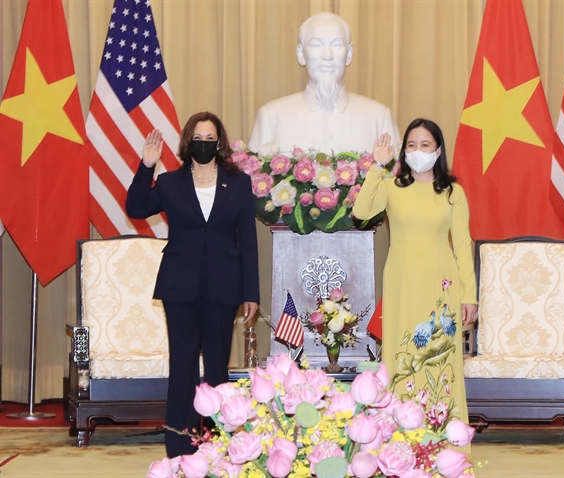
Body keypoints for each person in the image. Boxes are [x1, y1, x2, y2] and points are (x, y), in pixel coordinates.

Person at [126, 112, 260, 458]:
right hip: (180, 287)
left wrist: (251, 294)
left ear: (220, 143)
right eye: (197, 138)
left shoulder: (239, 182)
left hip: (224, 288)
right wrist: (147, 166)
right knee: (183, 364)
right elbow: (136, 206)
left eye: (210, 138)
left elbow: (248, 240)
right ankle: (178, 445)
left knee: (217, 366)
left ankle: (217, 444)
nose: (204, 143)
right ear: (188, 142)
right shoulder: (170, 183)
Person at [353, 119, 478, 430]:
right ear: (402, 152)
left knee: (439, 359)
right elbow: (361, 212)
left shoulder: (453, 193)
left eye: (425, 145)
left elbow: (463, 245)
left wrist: (469, 296)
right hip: (402, 285)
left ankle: (444, 437)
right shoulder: (391, 188)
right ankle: (401, 440)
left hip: (441, 288)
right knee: (401, 357)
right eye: (411, 145)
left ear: (438, 150)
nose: (418, 150)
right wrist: (377, 167)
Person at [248, 11, 399, 155]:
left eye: (337, 45)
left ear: (349, 55)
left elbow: (395, 177)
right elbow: (253, 177)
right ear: (301, 54)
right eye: (316, 45)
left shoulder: (379, 117)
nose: (327, 56)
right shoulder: (271, 116)